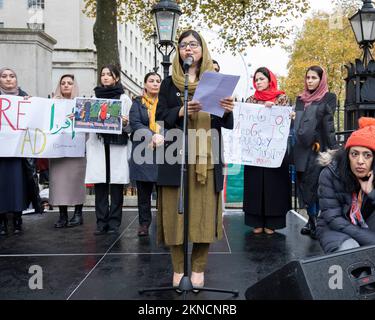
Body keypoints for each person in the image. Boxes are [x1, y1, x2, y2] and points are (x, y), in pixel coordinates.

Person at [156, 30, 234, 290]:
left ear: (202, 49)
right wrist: (180, 110)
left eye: (194, 44)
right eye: (183, 45)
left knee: (203, 215)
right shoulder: (169, 83)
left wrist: (228, 108)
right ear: (179, 51)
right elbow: (160, 115)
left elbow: (226, 123)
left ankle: (198, 268)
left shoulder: (215, 81)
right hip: (174, 156)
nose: (188, 49)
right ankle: (179, 268)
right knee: (174, 216)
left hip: (207, 157)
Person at [243, 67, 291, 235]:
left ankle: (272, 222)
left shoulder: (281, 98)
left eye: (261, 79)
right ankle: (255, 221)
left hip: (275, 152)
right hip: (254, 151)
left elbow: (284, 122)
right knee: (255, 185)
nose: (258, 82)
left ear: (270, 80)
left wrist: (275, 110)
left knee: (274, 185)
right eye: (256, 80)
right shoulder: (250, 99)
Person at [317, 117, 375, 253]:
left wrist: (371, 193)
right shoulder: (330, 174)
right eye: (354, 154)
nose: (360, 161)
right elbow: (333, 219)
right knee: (350, 250)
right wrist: (371, 240)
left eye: (367, 155)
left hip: (366, 225)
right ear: (347, 155)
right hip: (335, 227)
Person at [85, 64, 131, 235]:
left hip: (116, 145)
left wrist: (125, 123)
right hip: (99, 144)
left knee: (117, 184)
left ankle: (114, 222)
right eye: (103, 74)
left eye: (109, 74)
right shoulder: (93, 97)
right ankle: (101, 222)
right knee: (100, 185)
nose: (105, 77)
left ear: (116, 78)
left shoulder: (124, 99)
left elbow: (130, 126)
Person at [294, 66, 337, 239]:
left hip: (318, 149)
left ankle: (317, 222)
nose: (310, 81)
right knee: (303, 187)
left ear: (321, 80)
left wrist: (334, 149)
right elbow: (296, 125)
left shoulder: (329, 97)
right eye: (308, 77)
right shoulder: (300, 99)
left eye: (313, 78)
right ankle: (311, 220)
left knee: (315, 187)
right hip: (300, 149)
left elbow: (328, 124)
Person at [50, 74, 87, 228]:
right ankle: (62, 215)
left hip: (76, 149)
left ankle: (78, 214)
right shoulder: (51, 103)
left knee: (76, 182)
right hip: (57, 150)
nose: (66, 85)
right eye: (63, 83)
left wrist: (79, 117)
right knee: (58, 183)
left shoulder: (83, 105)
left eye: (70, 83)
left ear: (74, 85)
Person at [129, 72, 163, 237]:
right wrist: (152, 135)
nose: (155, 84)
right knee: (144, 193)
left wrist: (161, 135)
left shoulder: (165, 103)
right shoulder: (138, 103)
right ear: (145, 84)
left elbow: (170, 121)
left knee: (164, 192)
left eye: (158, 81)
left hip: (164, 151)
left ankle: (164, 222)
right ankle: (144, 224)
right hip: (143, 151)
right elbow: (135, 123)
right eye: (151, 81)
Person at [0, 68, 30, 235]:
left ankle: (18, 218)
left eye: (12, 76)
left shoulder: (24, 98)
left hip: (18, 152)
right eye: (4, 76)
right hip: (1, 154)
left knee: (18, 186)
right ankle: (2, 221)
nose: (8, 79)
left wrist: (30, 104)